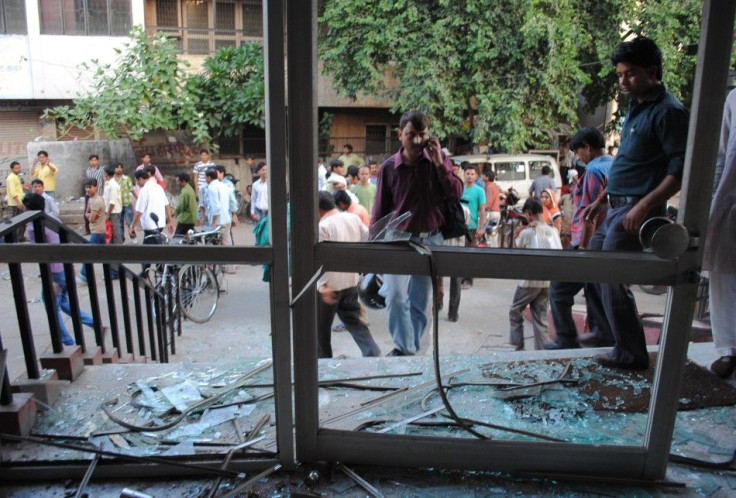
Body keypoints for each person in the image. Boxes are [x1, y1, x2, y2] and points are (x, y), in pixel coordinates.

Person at [582, 37, 688, 370]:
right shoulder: (637, 106)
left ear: (652, 72)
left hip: (635, 212)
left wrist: (643, 207)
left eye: (629, 74)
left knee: (614, 276)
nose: (623, 81)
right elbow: (627, 161)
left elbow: (679, 171)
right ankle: (608, 335)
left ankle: (631, 353)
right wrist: (601, 199)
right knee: (594, 267)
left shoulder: (669, 111)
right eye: (619, 74)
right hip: (614, 206)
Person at [372, 110, 463, 356]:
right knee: (396, 296)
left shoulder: (438, 160)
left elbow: (456, 193)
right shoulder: (389, 168)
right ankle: (405, 348)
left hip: (430, 238)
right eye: (411, 134)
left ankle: (411, 350)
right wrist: (372, 251)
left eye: (422, 134)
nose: (416, 140)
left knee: (421, 304)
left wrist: (439, 164)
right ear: (400, 134)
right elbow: (380, 211)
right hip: (398, 239)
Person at [545, 127, 614, 350]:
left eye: (578, 151)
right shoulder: (613, 165)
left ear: (588, 147)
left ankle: (566, 338)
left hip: (588, 242)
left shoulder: (593, 172)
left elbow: (589, 215)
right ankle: (601, 335)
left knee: (559, 288)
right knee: (595, 289)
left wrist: (583, 248)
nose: (578, 157)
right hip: (607, 241)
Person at [24, 193, 97, 346]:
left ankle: (68, 341)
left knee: (52, 307)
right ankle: (93, 323)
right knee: (63, 302)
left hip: (55, 272)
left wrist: (51, 278)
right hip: (64, 268)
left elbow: (44, 254)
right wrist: (70, 264)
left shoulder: (33, 227)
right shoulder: (52, 220)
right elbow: (63, 243)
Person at [317, 191, 380, 358]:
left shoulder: (322, 227)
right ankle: (372, 351)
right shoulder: (352, 218)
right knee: (354, 321)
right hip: (351, 281)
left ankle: (324, 364)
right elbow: (368, 238)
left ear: (318, 209)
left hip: (330, 286)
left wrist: (322, 284)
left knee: (321, 330)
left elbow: (321, 258)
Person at [703, 88, 736, 378]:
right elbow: (723, 155)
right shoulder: (733, 99)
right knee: (723, 275)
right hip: (730, 200)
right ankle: (728, 350)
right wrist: (711, 200)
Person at [509, 197, 562, 350]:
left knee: (515, 310)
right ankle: (542, 353)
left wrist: (518, 231)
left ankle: (518, 345)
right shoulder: (553, 231)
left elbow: (517, 250)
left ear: (529, 213)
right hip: (547, 281)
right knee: (541, 318)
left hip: (528, 281)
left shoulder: (527, 233)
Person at [129, 169, 173, 269]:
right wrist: (170, 221)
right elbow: (167, 205)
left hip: (150, 226)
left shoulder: (144, 190)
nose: (136, 184)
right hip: (160, 224)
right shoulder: (158, 188)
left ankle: (146, 272)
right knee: (155, 249)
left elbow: (139, 211)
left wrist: (132, 226)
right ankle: (159, 270)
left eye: (136, 181)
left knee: (146, 252)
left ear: (140, 179)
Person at [460, 164, 485, 290]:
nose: (469, 176)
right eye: (467, 174)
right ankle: (460, 278)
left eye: (472, 174)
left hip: (472, 226)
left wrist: (481, 228)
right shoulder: (459, 188)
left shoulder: (479, 191)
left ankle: (468, 280)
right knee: (459, 252)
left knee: (469, 253)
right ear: (463, 174)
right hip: (459, 226)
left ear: (476, 176)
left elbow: (482, 210)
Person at [78, 178, 106, 284]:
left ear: (96, 187)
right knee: (106, 255)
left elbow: (91, 218)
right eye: (86, 187)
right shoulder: (91, 199)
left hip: (98, 231)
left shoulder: (97, 200)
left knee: (88, 253)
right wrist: (89, 215)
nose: (88, 189)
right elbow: (86, 213)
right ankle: (114, 271)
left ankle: (84, 275)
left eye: (90, 187)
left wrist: (89, 215)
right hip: (97, 230)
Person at [5, 161, 26, 240]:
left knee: (21, 220)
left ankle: (20, 237)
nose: (19, 169)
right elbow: (13, 191)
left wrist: (25, 187)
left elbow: (18, 187)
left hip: (19, 201)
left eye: (19, 167)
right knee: (18, 221)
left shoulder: (16, 176)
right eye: (16, 168)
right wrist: (18, 202)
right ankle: (17, 237)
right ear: (11, 169)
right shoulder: (11, 178)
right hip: (15, 203)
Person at [114, 163, 135, 241]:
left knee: (130, 222)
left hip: (127, 204)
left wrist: (138, 198)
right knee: (120, 223)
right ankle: (122, 239)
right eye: (117, 168)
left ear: (122, 169)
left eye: (120, 168)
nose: (119, 169)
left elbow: (132, 190)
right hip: (117, 205)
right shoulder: (112, 180)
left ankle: (133, 237)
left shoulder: (127, 179)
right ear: (114, 169)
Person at [84, 154, 104, 235]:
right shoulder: (88, 170)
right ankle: (88, 230)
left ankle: (98, 229)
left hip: (98, 194)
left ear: (98, 161)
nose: (93, 162)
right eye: (92, 160)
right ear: (89, 161)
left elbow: (104, 181)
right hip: (88, 195)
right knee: (86, 211)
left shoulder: (102, 170)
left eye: (95, 160)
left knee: (97, 212)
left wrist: (103, 192)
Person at [483, 168, 501, 248]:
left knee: (489, 235)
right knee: (494, 234)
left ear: (487, 177)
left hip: (491, 212)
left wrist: (483, 210)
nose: (482, 177)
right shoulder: (495, 186)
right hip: (496, 212)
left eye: (483, 175)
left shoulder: (489, 186)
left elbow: (488, 201)